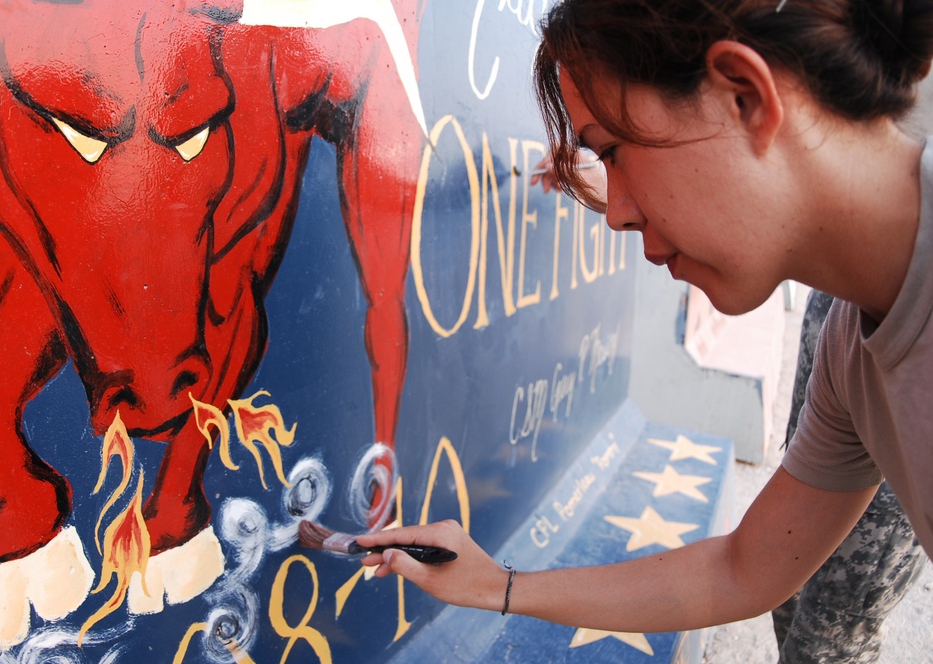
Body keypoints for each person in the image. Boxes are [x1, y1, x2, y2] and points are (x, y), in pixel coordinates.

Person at [356, 0, 933, 638]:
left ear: (747, 97)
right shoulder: (848, 351)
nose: (616, 213)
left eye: (613, 150)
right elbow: (744, 570)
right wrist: (496, 585)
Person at [772, 290, 926, 663]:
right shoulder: (842, 313)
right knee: (785, 593)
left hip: (904, 319)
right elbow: (746, 569)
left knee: (827, 640)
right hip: (840, 305)